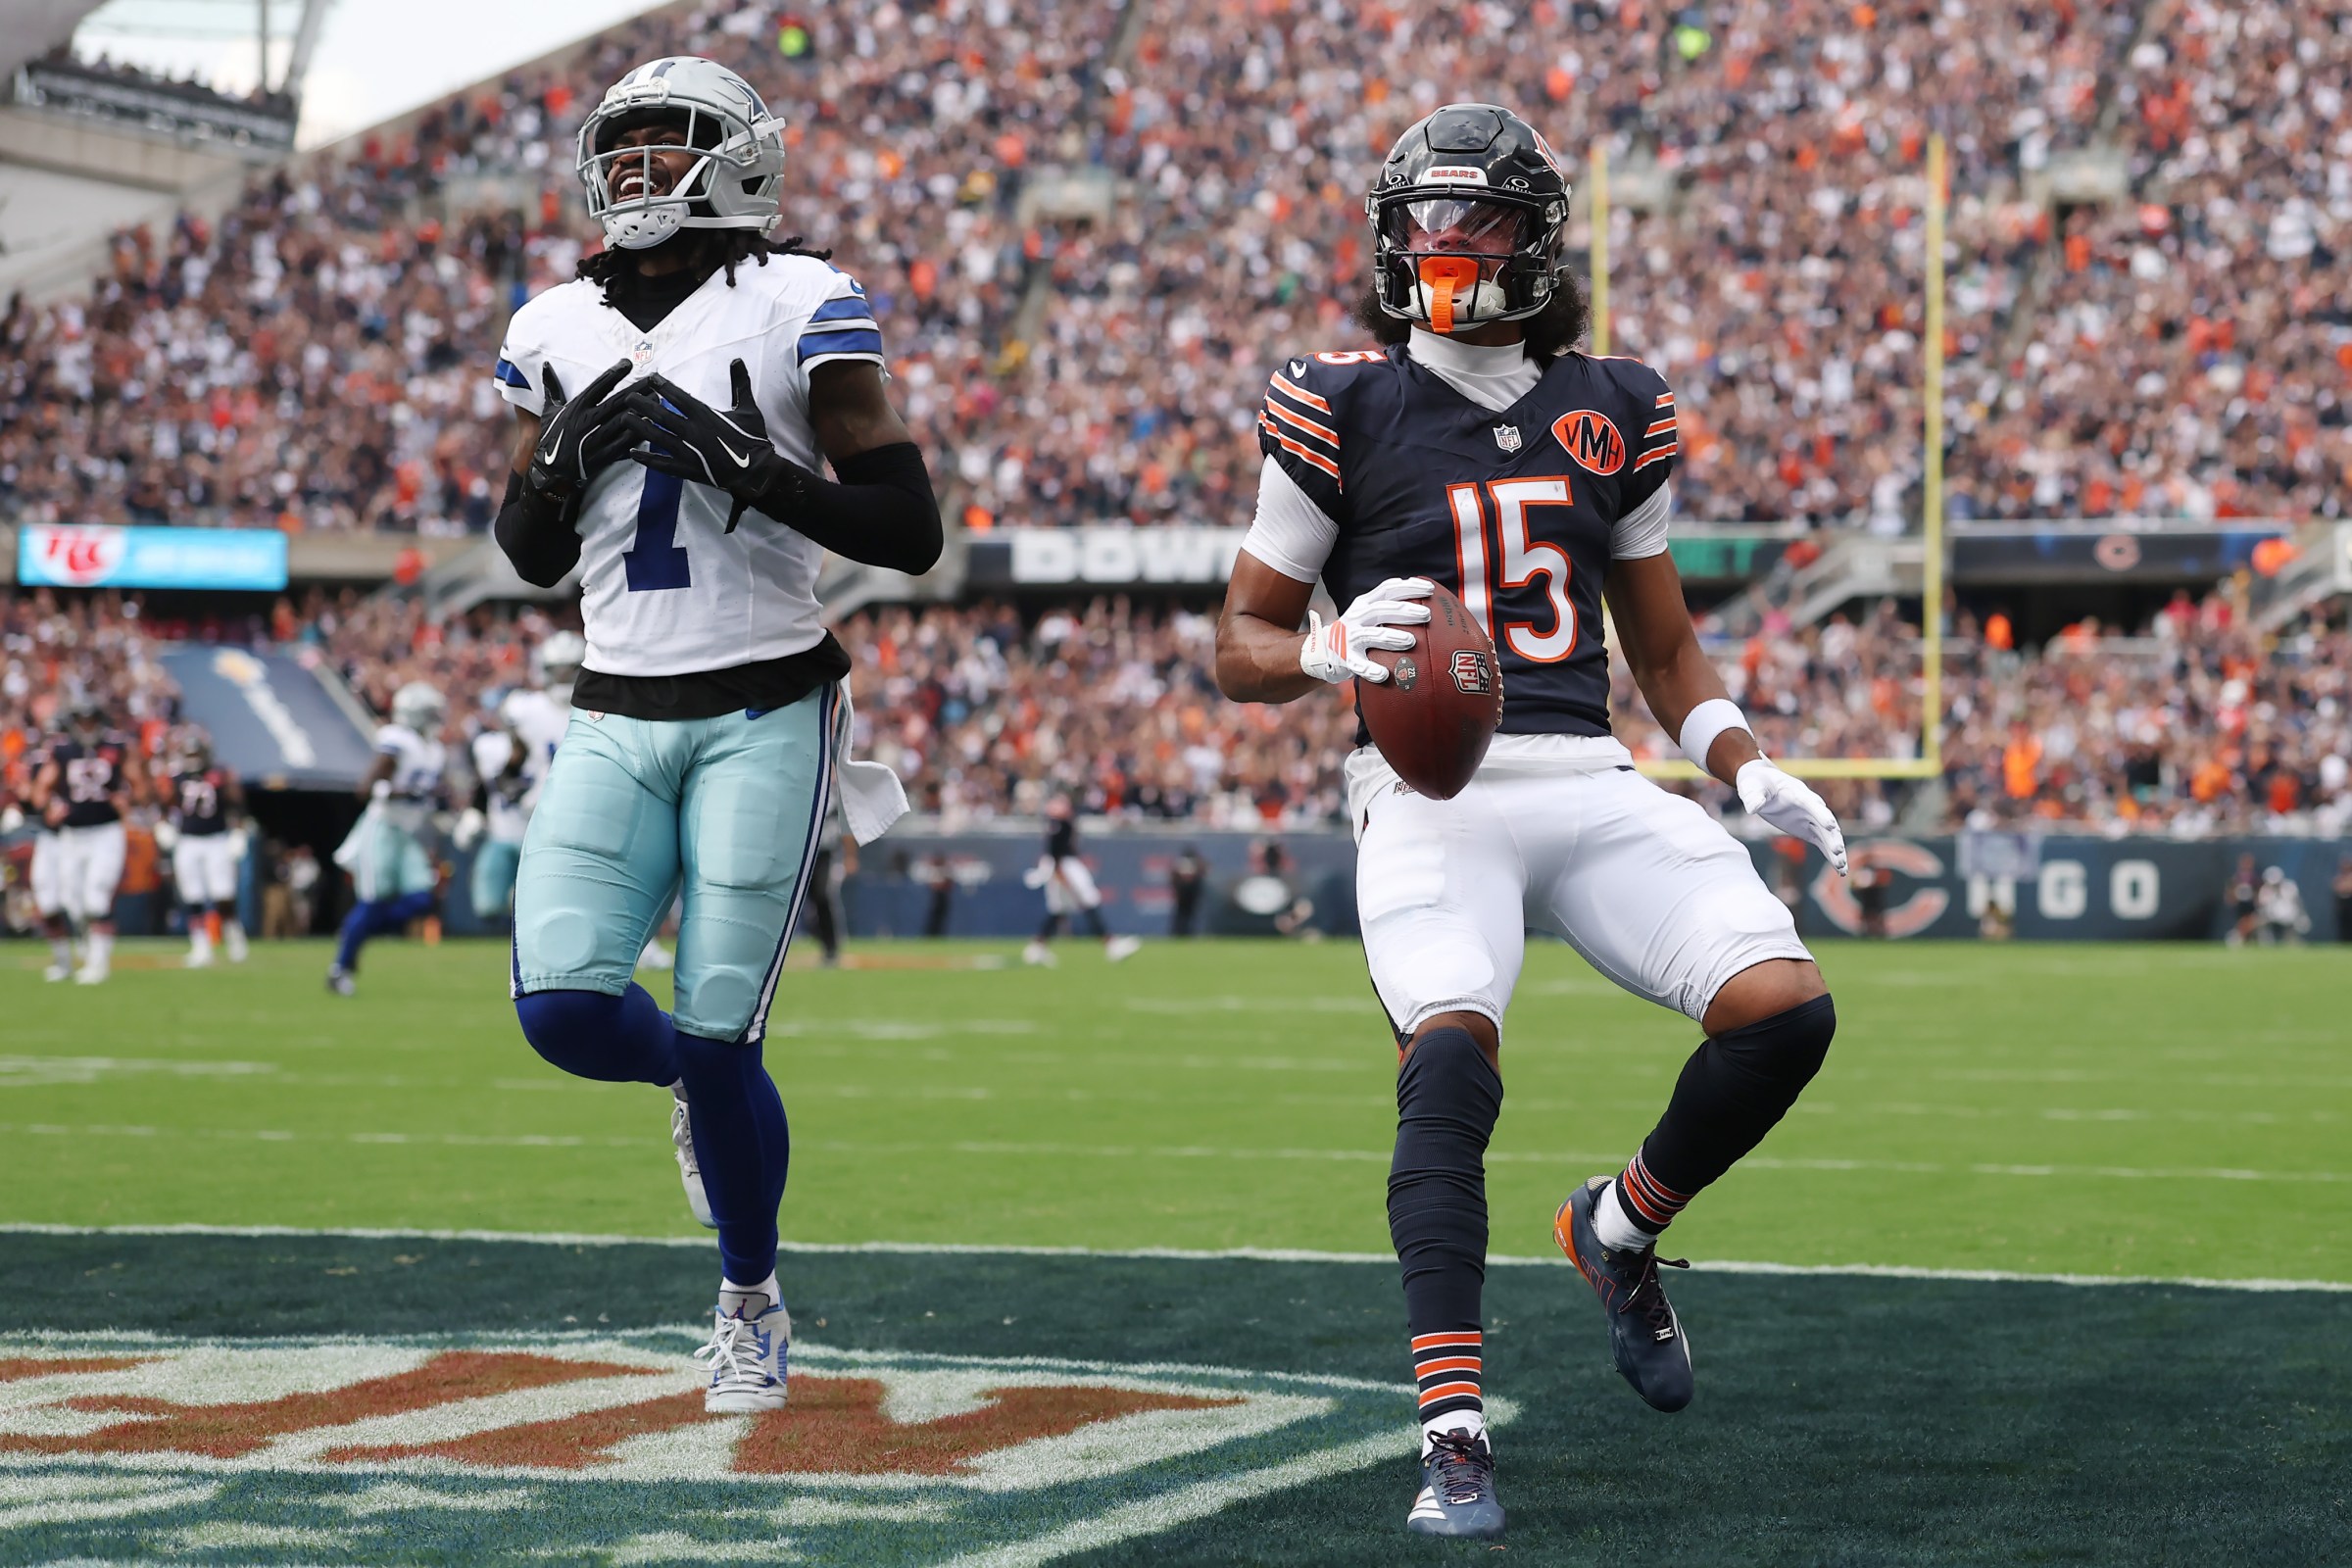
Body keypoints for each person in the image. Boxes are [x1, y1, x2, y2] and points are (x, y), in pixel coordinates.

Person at [1212, 105, 1847, 1541]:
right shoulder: (1339, 402)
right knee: (1448, 1066)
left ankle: (1619, 1230)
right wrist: (1323, 654)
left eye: (1476, 221)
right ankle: (1452, 1435)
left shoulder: (1614, 402)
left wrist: (1747, 766)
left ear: (1538, 244)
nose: (1442, 247)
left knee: (1786, 1012)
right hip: (1429, 791)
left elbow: (1667, 652)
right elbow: (1239, 641)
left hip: (1584, 770)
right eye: (1421, 222)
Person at [489, 56, 937, 1413]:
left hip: (766, 700)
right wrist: (561, 466)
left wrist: (753, 467)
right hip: (614, 702)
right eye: (619, 153)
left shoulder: (798, 297)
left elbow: (907, 532)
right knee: (563, 1009)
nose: (634, 176)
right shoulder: (555, 321)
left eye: (665, 149)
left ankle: (750, 1299)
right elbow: (523, 550)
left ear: (739, 161)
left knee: (724, 1028)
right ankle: (691, 1079)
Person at [327, 682, 450, 994]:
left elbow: (431, 793)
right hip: (381, 828)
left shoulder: (434, 750)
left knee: (423, 898)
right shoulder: (398, 740)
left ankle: (359, 931)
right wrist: (399, 791)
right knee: (372, 899)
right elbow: (365, 788)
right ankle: (341, 967)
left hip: (407, 832)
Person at [31, 702, 135, 985]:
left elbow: (140, 784)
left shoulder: (117, 746)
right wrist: (48, 810)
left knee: (96, 896)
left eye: (91, 720)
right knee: (72, 903)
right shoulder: (62, 750)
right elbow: (40, 789)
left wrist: (129, 800)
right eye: (82, 719)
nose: (87, 725)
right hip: (72, 835)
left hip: (105, 831)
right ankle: (84, 951)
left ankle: (99, 963)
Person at [159, 730, 248, 967]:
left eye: (196, 752)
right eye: (189, 752)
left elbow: (236, 804)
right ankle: (200, 946)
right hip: (188, 840)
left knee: (223, 894)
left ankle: (233, 935)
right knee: (192, 894)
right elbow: (165, 803)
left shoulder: (220, 774)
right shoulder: (176, 776)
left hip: (216, 839)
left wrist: (238, 831)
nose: (193, 757)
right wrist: (164, 824)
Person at [1021, 795, 1142, 965]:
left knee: (1060, 909)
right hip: (1063, 866)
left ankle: (1037, 948)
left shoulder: (1065, 824)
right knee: (1087, 901)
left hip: (1062, 866)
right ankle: (1111, 945)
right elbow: (1055, 856)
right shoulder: (1058, 827)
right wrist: (1062, 877)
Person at [1167, 843, 1207, 937]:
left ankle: (1191, 934)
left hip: (1192, 896)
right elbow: (1174, 880)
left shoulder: (1198, 865)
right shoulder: (1178, 866)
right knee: (1181, 917)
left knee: (1193, 917)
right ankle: (1178, 934)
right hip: (1182, 897)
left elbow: (1202, 878)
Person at [2334, 854, 2352, 943]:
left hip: (2350, 902)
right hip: (2342, 902)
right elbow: (2337, 887)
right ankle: (2343, 941)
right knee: (2342, 923)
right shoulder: (2339, 877)